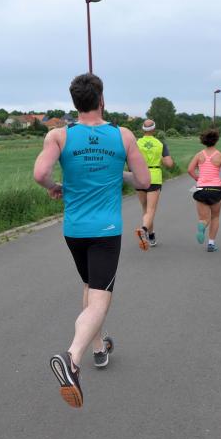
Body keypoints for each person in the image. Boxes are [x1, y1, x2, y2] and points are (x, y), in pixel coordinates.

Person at [34, 73, 149, 408]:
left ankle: (99, 348)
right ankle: (72, 358)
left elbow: (40, 174)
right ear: (101, 99)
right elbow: (143, 181)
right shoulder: (123, 135)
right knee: (100, 299)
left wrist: (55, 187)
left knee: (90, 285)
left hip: (74, 229)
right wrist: (117, 174)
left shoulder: (59, 135)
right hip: (105, 230)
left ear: (75, 103)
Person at [187, 128, 221, 252]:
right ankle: (211, 244)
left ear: (203, 141)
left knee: (203, 219)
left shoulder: (199, 155)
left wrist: (197, 178)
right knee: (215, 217)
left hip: (201, 189)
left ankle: (202, 225)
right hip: (215, 189)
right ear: (216, 140)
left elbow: (190, 169)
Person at [134, 119, 174, 249]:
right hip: (154, 177)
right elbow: (169, 164)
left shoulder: (136, 143)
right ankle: (144, 229)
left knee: (145, 209)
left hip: (139, 176)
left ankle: (151, 237)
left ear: (142, 129)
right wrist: (161, 158)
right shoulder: (160, 144)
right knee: (151, 210)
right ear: (154, 129)